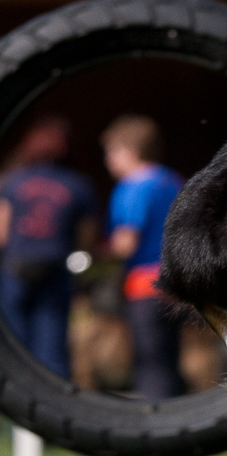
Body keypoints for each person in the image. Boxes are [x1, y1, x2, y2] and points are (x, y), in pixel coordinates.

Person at [0, 117, 98, 378]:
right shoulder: (79, 185)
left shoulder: (13, 181)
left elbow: (2, 232)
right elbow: (86, 242)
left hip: (15, 270)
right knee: (52, 353)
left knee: (14, 350)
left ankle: (20, 416)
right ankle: (51, 415)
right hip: (54, 273)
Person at [102, 114, 185, 399]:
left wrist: (98, 256)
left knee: (150, 363)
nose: (109, 161)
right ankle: (179, 420)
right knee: (170, 358)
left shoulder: (133, 187)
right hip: (176, 284)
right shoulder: (172, 180)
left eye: (111, 152)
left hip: (143, 286)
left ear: (129, 151)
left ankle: (156, 421)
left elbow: (125, 243)